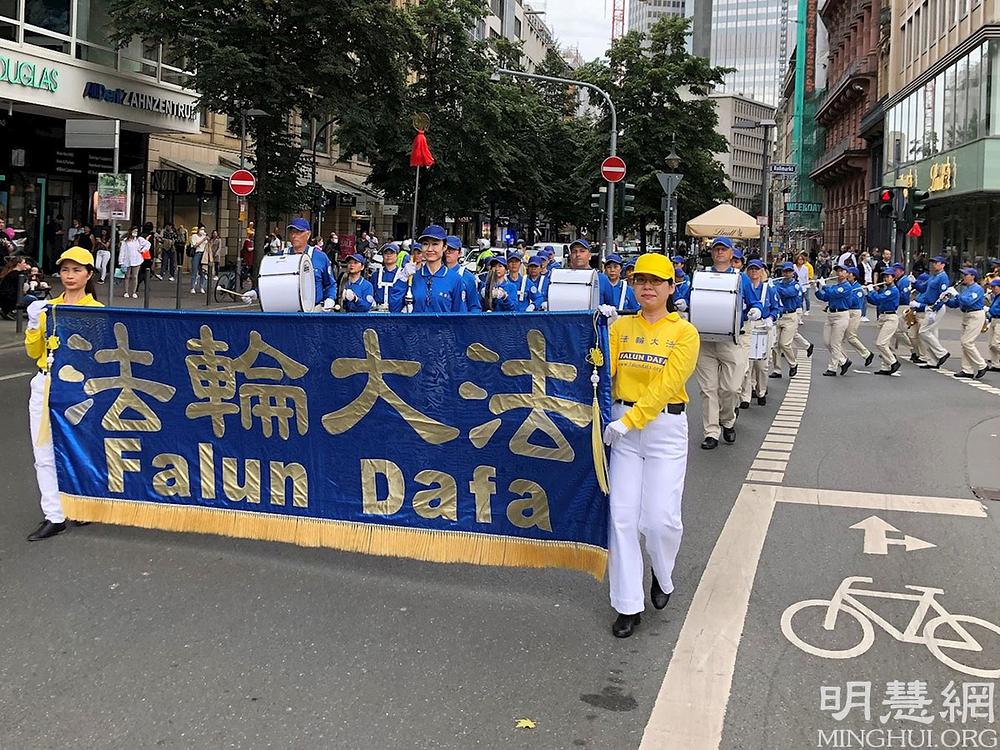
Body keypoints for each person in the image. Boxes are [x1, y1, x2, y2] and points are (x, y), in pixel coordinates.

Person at [602, 252, 699, 638]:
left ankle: (662, 572)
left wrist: (629, 421)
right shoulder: (621, 326)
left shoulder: (684, 332)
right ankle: (628, 604)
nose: (647, 287)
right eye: (640, 280)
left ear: (671, 287)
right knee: (622, 517)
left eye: (656, 281)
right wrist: (593, 334)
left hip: (663, 429)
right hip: (621, 428)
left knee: (660, 520)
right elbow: (600, 369)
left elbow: (666, 386)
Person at [24, 247, 104, 541]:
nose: (70, 276)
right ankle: (54, 514)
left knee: (77, 446)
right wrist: (34, 325)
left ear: (89, 275)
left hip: (76, 388)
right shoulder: (49, 308)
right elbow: (34, 352)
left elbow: (96, 354)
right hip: (44, 383)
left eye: (77, 270)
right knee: (43, 451)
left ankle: (80, 504)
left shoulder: (94, 310)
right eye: (65, 270)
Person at [694, 237, 763, 450]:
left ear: (731, 253)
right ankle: (711, 432)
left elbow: (755, 301)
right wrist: (683, 303)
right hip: (705, 339)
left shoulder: (740, 278)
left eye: (724, 249)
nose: (720, 253)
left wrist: (756, 310)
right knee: (708, 389)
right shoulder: (702, 274)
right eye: (716, 249)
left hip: (731, 338)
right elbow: (690, 297)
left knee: (731, 388)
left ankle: (728, 419)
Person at [390, 225, 466, 313]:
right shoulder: (412, 277)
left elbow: (460, 316)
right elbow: (394, 308)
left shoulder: (455, 279)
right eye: (425, 244)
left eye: (435, 244)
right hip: (415, 326)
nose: (430, 249)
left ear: (444, 247)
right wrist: (402, 279)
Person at [741, 260, 778, 406]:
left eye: (757, 269)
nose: (754, 272)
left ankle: (761, 391)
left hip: (763, 325)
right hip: (748, 324)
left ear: (762, 271)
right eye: (751, 269)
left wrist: (771, 318)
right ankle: (746, 396)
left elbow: (777, 308)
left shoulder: (769, 289)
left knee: (762, 365)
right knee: (747, 364)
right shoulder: (744, 287)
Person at [944, 268, 988, 379]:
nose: (963, 277)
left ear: (973, 276)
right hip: (966, 315)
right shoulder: (966, 289)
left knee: (967, 342)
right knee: (964, 344)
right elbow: (956, 304)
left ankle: (982, 365)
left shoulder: (977, 289)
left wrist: (956, 294)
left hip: (975, 315)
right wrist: (946, 300)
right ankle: (967, 369)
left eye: (966, 275)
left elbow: (968, 301)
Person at [911, 255, 952, 369]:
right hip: (930, 306)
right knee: (932, 333)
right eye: (933, 262)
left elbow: (943, 296)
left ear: (943, 265)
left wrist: (935, 308)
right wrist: (914, 282)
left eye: (936, 263)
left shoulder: (943, 277)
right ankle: (932, 361)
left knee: (923, 331)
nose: (934, 264)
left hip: (935, 307)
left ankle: (941, 353)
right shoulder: (933, 276)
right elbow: (923, 288)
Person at [286, 218, 335, 310]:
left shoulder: (320, 257)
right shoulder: (281, 257)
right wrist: (257, 292)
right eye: (292, 232)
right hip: (287, 310)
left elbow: (330, 284)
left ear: (308, 234)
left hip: (314, 310)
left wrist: (330, 298)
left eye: (299, 232)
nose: (294, 235)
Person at [815, 263, 855, 376]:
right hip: (831, 314)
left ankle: (832, 368)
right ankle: (843, 361)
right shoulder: (834, 286)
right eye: (838, 271)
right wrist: (817, 289)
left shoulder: (847, 286)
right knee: (827, 342)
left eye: (842, 271)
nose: (839, 273)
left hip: (841, 315)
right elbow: (825, 297)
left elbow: (834, 294)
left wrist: (824, 286)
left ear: (847, 274)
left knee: (835, 343)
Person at [772, 262, 805, 377]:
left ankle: (793, 364)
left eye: (789, 271)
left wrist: (775, 287)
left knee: (784, 343)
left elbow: (788, 293)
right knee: (774, 344)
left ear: (792, 273)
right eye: (785, 271)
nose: (786, 273)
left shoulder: (795, 285)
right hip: (779, 316)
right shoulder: (778, 283)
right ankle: (777, 370)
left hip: (790, 316)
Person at [867, 268, 901, 375]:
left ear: (893, 278)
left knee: (880, 343)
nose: (886, 278)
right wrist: (867, 294)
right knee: (885, 343)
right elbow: (874, 301)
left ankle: (893, 362)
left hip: (890, 317)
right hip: (883, 316)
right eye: (885, 276)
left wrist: (871, 291)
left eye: (888, 276)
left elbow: (878, 299)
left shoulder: (893, 290)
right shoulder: (886, 289)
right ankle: (885, 367)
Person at [843, 266, 875, 368]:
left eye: (850, 273)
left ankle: (867, 354)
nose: (847, 275)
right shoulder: (848, 285)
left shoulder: (858, 288)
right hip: (846, 312)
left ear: (854, 276)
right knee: (840, 338)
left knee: (851, 336)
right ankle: (843, 359)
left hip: (854, 312)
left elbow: (855, 302)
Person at [444, 235, 482, 312]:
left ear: (459, 253)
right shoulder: (434, 274)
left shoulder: (468, 277)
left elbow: (474, 306)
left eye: (452, 250)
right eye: (445, 250)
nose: (448, 253)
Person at [118, 226, 149, 299]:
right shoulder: (125, 241)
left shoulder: (139, 239)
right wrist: (121, 262)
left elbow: (148, 244)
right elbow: (122, 251)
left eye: (137, 231)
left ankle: (134, 292)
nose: (135, 233)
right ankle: (126, 292)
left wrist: (142, 250)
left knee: (135, 276)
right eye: (134, 231)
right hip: (127, 260)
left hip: (137, 260)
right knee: (127, 276)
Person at [373, 243, 403, 310]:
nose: (388, 255)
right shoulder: (375, 275)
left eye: (392, 253)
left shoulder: (402, 274)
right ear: (383, 256)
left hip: (397, 314)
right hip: (379, 313)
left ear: (397, 255)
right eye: (386, 253)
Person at [189, 224, 209, 293]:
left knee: (203, 271)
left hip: (204, 255)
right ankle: (192, 287)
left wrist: (207, 240)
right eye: (201, 229)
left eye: (203, 229)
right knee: (194, 271)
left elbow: (207, 246)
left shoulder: (205, 236)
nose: (202, 231)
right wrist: (203, 240)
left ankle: (202, 287)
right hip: (197, 254)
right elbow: (194, 246)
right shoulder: (194, 236)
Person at [987, 278, 1000, 372]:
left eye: (994, 287)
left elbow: (996, 310)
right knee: (991, 344)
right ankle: (996, 364)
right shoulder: (996, 296)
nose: (992, 289)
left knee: (996, 343)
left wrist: (989, 310)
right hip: (994, 319)